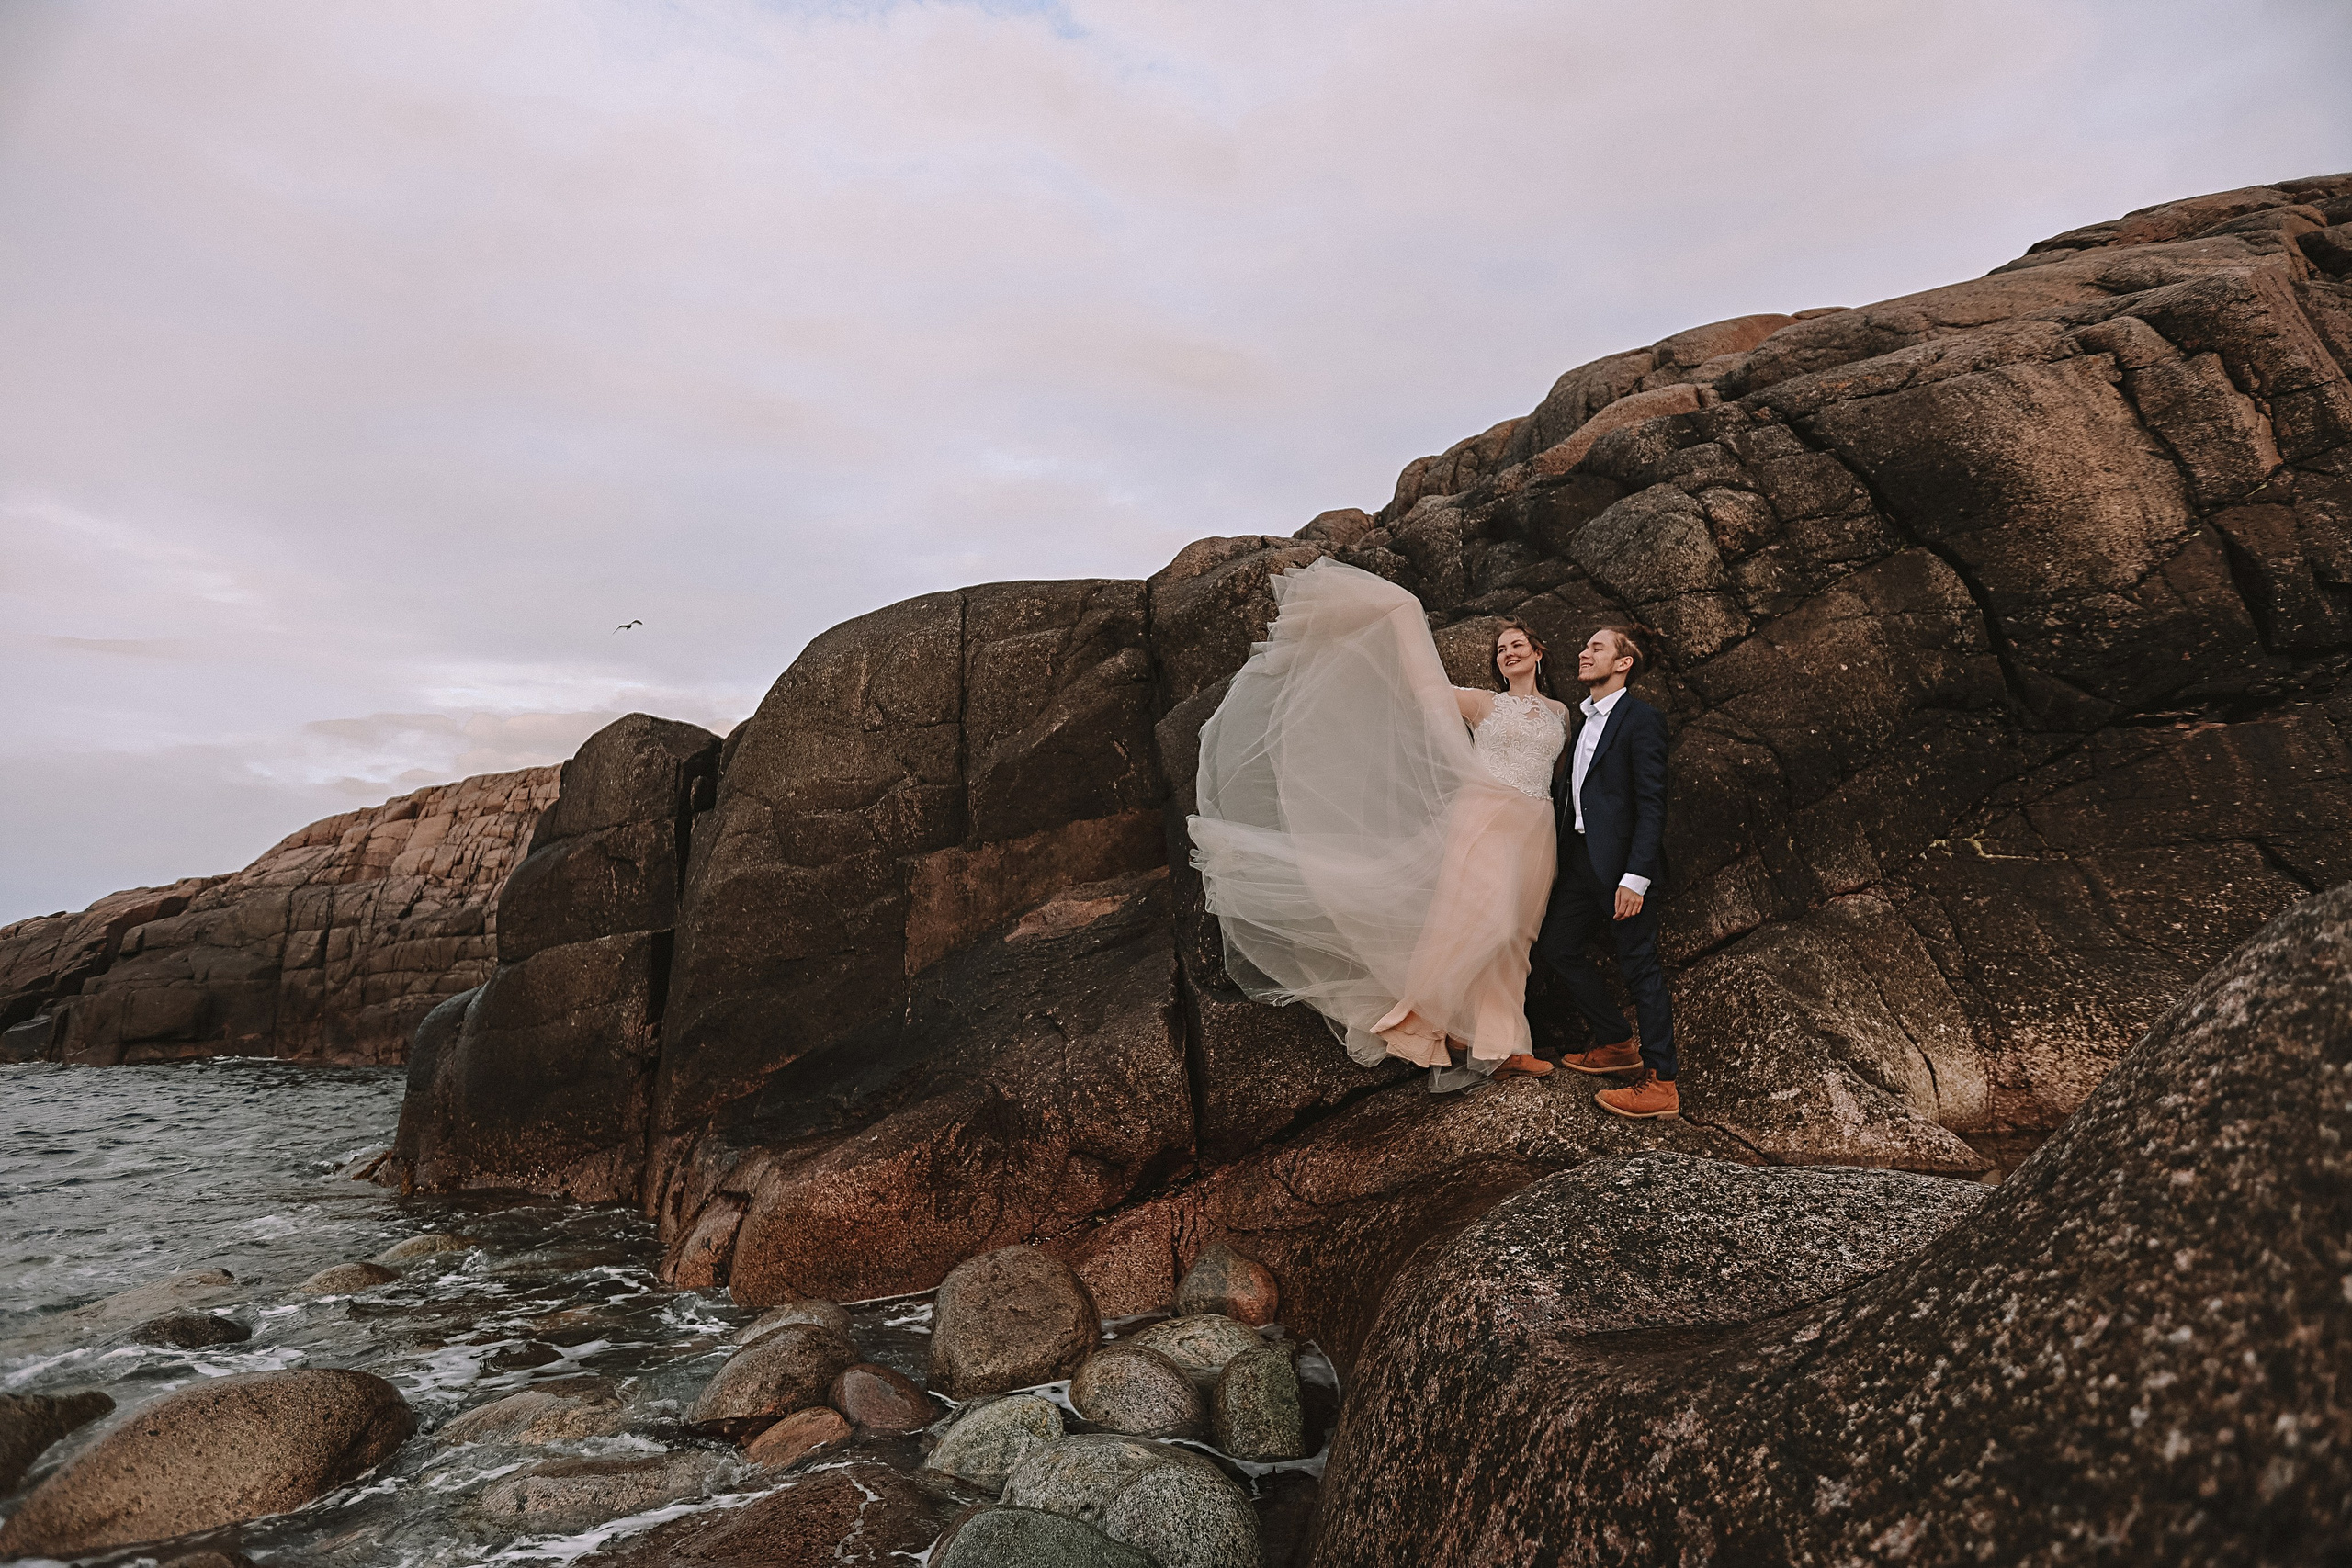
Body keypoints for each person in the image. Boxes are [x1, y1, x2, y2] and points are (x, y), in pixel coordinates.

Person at [1187, 558, 1566, 1093]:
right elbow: (1427, 691)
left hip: (1537, 827)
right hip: (1484, 818)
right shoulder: (1483, 704)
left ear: (1538, 652)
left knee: (1518, 937)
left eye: (1517, 643)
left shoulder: (1559, 712)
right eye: (1501, 648)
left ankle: (1494, 1044)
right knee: (1487, 922)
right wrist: (1400, 620)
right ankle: (1436, 1025)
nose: (1509, 651)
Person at [1539, 625, 1680, 1118]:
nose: (1583, 652)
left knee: (1641, 968)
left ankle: (1662, 1082)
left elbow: (1651, 803)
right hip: (1578, 862)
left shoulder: (1642, 720)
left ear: (1623, 663)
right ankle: (1618, 1043)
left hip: (1621, 871)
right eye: (1584, 646)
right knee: (1556, 946)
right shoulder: (1582, 721)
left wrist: (1635, 878)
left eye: (1596, 647)